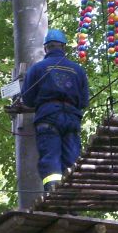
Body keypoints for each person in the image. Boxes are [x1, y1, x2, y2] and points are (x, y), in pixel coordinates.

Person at [20, 29, 89, 192]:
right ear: (63, 47)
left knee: (50, 157)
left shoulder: (37, 69)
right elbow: (84, 101)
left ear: (46, 48)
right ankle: (70, 196)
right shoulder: (77, 70)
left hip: (48, 118)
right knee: (72, 159)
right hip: (71, 119)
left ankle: (52, 192)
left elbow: (28, 98)